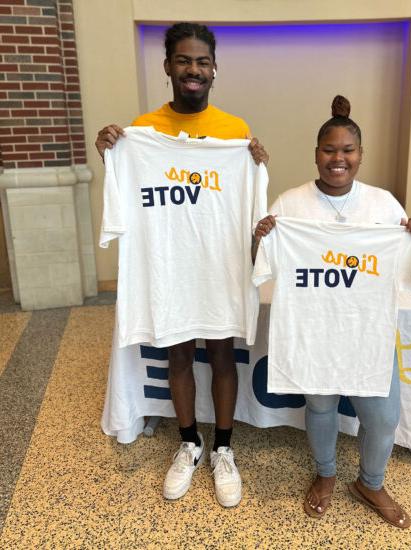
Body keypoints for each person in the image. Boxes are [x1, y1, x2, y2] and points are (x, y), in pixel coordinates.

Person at [95, 22, 268, 508]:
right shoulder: (142, 132)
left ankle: (224, 449)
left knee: (221, 353)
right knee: (177, 355)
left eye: (203, 61)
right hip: (169, 269)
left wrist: (256, 165)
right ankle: (188, 442)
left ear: (215, 69)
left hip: (217, 265)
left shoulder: (235, 132)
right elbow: (125, 193)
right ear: (168, 66)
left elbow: (253, 207)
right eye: (184, 61)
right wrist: (113, 153)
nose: (194, 70)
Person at [253, 95, 411, 528]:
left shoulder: (384, 204)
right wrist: (261, 237)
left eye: (347, 150)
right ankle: (326, 474)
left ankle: (371, 482)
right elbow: (262, 264)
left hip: (367, 332)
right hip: (315, 330)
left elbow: (407, 268)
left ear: (360, 155)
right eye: (329, 149)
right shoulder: (290, 204)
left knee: (383, 415)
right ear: (316, 153)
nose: (338, 158)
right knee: (321, 405)